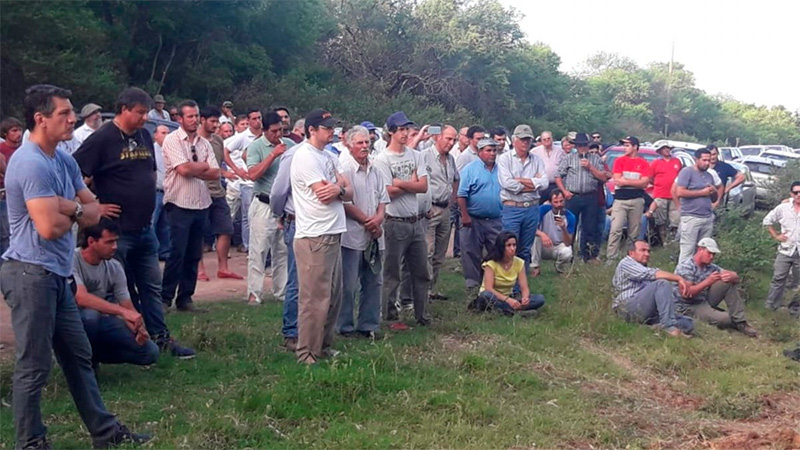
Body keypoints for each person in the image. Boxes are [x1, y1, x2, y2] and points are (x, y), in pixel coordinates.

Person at [2, 84, 150, 450]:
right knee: (34, 365)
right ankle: (30, 442)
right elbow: (49, 227)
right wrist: (76, 209)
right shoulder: (30, 162)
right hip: (30, 274)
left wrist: (68, 205)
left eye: (71, 112)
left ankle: (105, 432)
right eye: (64, 113)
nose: (73, 119)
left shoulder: (63, 160)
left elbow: (96, 213)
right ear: (41, 119)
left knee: (78, 355)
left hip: (56, 274)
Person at [73, 87, 194, 357]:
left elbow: (150, 172)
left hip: (144, 228)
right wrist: (93, 205)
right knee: (123, 289)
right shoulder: (102, 138)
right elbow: (74, 174)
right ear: (123, 109)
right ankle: (130, 340)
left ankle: (160, 338)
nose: (144, 118)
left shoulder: (143, 135)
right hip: (117, 233)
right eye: (139, 113)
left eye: (146, 113)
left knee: (151, 286)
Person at [290, 108, 353, 364]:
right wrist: (339, 188)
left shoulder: (329, 155)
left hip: (332, 232)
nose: (331, 132)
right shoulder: (305, 157)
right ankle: (306, 352)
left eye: (332, 128)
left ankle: (323, 346)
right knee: (314, 298)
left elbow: (349, 190)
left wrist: (339, 189)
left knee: (333, 295)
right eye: (326, 128)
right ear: (311, 130)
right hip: (314, 235)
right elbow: (324, 194)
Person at [73, 219, 160, 367]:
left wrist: (139, 328)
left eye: (115, 241)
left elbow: (127, 305)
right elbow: (81, 298)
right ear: (91, 241)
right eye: (109, 242)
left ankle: (92, 356)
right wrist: (122, 312)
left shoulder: (114, 266)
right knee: (90, 316)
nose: (115, 247)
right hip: (72, 322)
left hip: (102, 321)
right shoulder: (72, 260)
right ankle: (81, 363)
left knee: (150, 352)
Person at [160, 100, 220, 312]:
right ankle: (165, 298)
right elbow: (183, 170)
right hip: (179, 203)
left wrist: (195, 168)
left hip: (201, 203)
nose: (195, 120)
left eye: (196, 116)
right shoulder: (172, 140)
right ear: (180, 119)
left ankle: (185, 298)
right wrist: (202, 166)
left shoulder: (204, 143)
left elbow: (215, 172)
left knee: (194, 254)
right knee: (177, 253)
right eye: (190, 116)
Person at [373, 111, 432, 330]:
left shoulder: (416, 155)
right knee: (392, 272)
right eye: (401, 130)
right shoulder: (382, 159)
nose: (406, 134)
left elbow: (423, 186)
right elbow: (387, 191)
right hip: (394, 222)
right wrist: (410, 183)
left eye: (407, 129)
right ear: (391, 132)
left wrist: (401, 183)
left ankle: (422, 314)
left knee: (421, 271)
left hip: (415, 221)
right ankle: (390, 316)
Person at [337, 125, 388, 338]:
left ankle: (369, 325)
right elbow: (344, 202)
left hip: (374, 235)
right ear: (349, 145)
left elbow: (383, 199)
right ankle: (345, 326)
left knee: (374, 281)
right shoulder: (344, 169)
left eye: (367, 142)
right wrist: (368, 221)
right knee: (348, 284)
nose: (365, 146)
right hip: (352, 235)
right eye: (360, 142)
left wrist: (378, 220)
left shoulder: (375, 169)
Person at [245, 111, 292, 304]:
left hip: (285, 206)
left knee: (282, 250)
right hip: (263, 203)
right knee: (259, 250)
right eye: (273, 131)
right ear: (264, 130)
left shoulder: (289, 144)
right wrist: (273, 155)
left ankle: (281, 292)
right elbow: (252, 175)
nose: (278, 134)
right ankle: (254, 293)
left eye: (280, 130)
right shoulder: (256, 146)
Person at [674, 238, 758, 337]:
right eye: (709, 253)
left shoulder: (710, 267)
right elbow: (687, 294)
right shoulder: (686, 267)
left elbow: (734, 276)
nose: (711, 257)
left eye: (713, 254)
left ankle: (741, 322)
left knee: (727, 282)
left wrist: (732, 276)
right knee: (725, 319)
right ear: (700, 249)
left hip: (703, 300)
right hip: (687, 306)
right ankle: (723, 318)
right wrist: (707, 282)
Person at [196, 106, 243, 281]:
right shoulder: (194, 140)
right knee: (198, 232)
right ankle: (199, 269)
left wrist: (233, 171)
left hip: (218, 191)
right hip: (199, 191)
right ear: (203, 120)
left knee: (226, 229)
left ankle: (223, 268)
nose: (216, 125)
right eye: (213, 121)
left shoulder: (217, 139)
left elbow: (221, 161)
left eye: (217, 121)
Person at [612, 240, 693, 337]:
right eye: (642, 250)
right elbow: (651, 274)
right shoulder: (626, 263)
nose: (647, 254)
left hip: (645, 309)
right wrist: (679, 279)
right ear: (631, 253)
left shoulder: (643, 267)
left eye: (648, 251)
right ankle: (668, 328)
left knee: (687, 323)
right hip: (627, 307)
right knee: (661, 283)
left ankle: (653, 327)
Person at [497, 124, 548, 273]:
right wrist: (533, 183)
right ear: (514, 140)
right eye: (523, 139)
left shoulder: (537, 160)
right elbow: (507, 183)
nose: (526, 142)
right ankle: (508, 282)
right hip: (512, 208)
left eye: (528, 139)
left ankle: (521, 282)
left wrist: (520, 180)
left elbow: (545, 183)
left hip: (532, 208)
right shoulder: (505, 159)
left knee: (525, 249)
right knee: (509, 248)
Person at [458, 138, 503, 294]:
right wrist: (465, 216)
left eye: (494, 150)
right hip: (473, 218)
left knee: (496, 250)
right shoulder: (470, 169)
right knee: (471, 252)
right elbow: (461, 195)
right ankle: (473, 284)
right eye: (488, 150)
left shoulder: (501, 169)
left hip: (496, 219)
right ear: (479, 152)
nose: (492, 154)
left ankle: (495, 283)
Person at [555, 133, 608, 262]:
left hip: (590, 196)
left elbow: (603, 178)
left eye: (584, 145)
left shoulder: (595, 159)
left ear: (588, 145)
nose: (582, 148)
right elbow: (558, 176)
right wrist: (564, 191)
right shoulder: (569, 158)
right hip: (573, 196)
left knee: (590, 227)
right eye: (579, 145)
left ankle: (587, 255)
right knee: (571, 225)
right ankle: (568, 255)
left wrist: (590, 167)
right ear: (576, 146)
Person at [420, 125, 459, 300]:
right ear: (438, 137)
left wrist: (453, 199)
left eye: (454, 140)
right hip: (430, 209)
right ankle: (420, 290)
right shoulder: (424, 156)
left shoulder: (451, 159)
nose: (451, 143)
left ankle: (430, 289)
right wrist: (423, 205)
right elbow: (418, 180)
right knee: (426, 252)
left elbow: (456, 179)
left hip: (445, 209)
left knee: (439, 254)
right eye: (448, 139)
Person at [473, 231, 545, 316]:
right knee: (486, 295)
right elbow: (489, 288)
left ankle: (507, 310)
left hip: (509, 296)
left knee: (539, 299)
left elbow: (524, 287)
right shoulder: (491, 263)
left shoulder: (519, 263)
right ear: (501, 247)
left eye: (514, 245)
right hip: (494, 297)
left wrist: (525, 298)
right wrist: (507, 300)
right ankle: (514, 311)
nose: (512, 248)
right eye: (508, 245)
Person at [606, 136, 651, 261]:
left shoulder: (643, 163)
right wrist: (636, 182)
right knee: (616, 229)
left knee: (634, 232)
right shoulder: (619, 161)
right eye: (624, 145)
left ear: (635, 147)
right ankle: (611, 257)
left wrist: (626, 181)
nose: (624, 148)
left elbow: (644, 183)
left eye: (627, 145)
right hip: (620, 200)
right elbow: (618, 180)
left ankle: (630, 258)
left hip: (637, 200)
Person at [224, 108, 260, 253]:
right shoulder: (243, 137)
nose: (258, 121)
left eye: (259, 118)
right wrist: (236, 170)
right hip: (247, 182)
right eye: (254, 118)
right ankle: (248, 246)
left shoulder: (265, 134)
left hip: (261, 181)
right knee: (248, 216)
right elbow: (226, 152)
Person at [762, 181, 800, 315]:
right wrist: (775, 235)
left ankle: (794, 310)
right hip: (785, 249)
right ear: (791, 194)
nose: (799, 195)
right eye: (796, 192)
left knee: (797, 283)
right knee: (778, 278)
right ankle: (770, 306)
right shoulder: (783, 208)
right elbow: (767, 221)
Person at [675, 148, 718, 261]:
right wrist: (702, 192)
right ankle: (683, 271)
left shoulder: (709, 175)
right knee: (687, 251)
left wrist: (714, 191)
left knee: (703, 252)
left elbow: (714, 199)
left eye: (709, 160)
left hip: (707, 217)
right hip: (691, 216)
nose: (707, 163)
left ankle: (698, 271)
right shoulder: (687, 172)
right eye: (704, 160)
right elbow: (680, 192)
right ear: (696, 159)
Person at [532, 189, 575, 275]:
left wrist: (563, 228)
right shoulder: (543, 210)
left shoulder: (570, 217)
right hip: (543, 245)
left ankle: (559, 266)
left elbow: (568, 243)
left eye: (561, 201)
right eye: (555, 202)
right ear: (550, 202)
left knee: (568, 252)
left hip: (558, 246)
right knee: (536, 238)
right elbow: (531, 228)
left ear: (565, 201)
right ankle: (535, 267)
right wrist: (542, 234)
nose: (559, 205)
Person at [650, 142, 682, 243]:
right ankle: (664, 242)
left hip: (674, 196)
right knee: (661, 221)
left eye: (668, 148)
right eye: (664, 148)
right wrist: (659, 184)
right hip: (660, 194)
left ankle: (673, 241)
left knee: (675, 220)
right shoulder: (655, 163)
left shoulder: (677, 161)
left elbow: (681, 176)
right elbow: (650, 177)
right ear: (660, 151)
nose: (667, 150)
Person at [151, 124, 171, 260]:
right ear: (155, 135)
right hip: (156, 192)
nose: (167, 136)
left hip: (168, 192)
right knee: (153, 222)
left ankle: (164, 252)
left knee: (166, 224)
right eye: (163, 133)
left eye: (168, 133)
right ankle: (152, 252)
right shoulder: (152, 150)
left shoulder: (171, 150)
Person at [531, 130, 564, 203]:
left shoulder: (560, 151)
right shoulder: (534, 152)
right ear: (541, 140)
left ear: (552, 138)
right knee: (538, 205)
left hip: (555, 185)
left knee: (556, 205)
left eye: (548, 138)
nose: (547, 141)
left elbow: (564, 167)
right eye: (544, 139)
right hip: (541, 185)